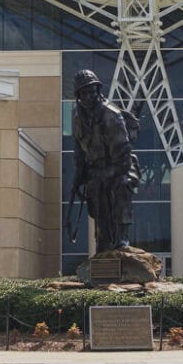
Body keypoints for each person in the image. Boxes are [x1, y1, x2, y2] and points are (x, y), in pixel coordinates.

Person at [71, 69, 140, 251]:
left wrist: (106, 174)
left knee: (121, 186)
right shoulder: (76, 116)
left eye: (92, 91)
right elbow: (79, 149)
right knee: (96, 191)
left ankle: (122, 239)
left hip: (120, 167)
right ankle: (104, 240)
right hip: (96, 169)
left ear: (98, 91)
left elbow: (123, 156)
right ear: (78, 96)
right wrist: (78, 178)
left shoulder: (111, 115)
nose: (89, 96)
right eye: (84, 93)